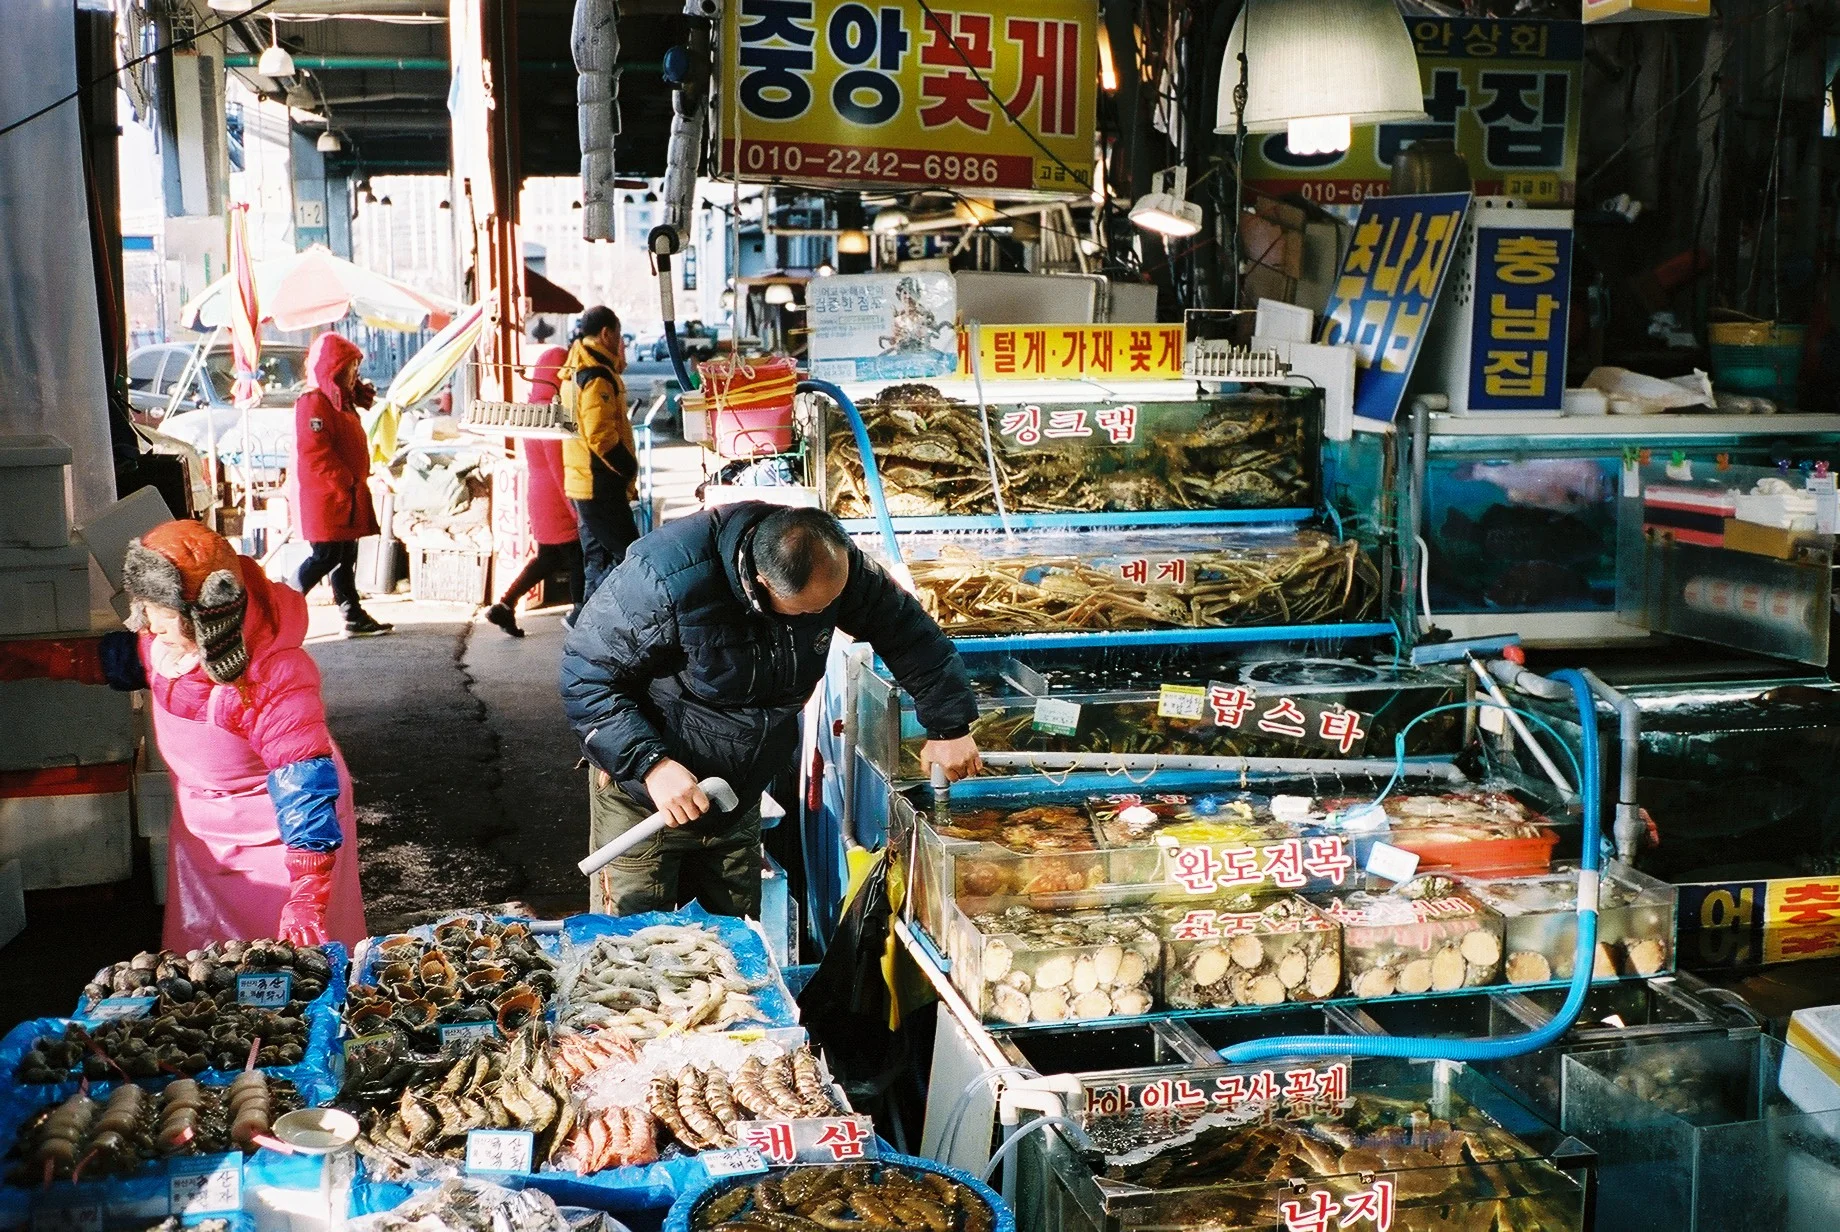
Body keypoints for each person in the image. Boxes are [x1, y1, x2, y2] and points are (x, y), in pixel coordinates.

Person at [560, 502, 982, 916]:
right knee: (630, 941)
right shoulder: (664, 577)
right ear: (762, 584)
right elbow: (586, 676)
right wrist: (651, 765)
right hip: (647, 799)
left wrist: (949, 727)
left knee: (732, 942)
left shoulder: (831, 559)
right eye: (809, 611)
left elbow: (908, 632)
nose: (823, 615)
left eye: (829, 605)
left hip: (737, 793)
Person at [25, 520, 369, 952]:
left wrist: (307, 891)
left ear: (208, 614)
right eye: (147, 608)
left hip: (283, 835)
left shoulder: (273, 675)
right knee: (202, 959)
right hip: (202, 832)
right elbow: (105, 660)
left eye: (165, 613)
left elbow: (304, 785)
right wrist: (27, 658)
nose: (151, 625)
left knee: (290, 963)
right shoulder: (163, 647)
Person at [292, 332, 393, 637]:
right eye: (349, 368)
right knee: (326, 556)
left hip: (343, 495)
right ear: (334, 369)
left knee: (345, 555)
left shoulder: (340, 401)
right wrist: (345, 481)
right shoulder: (314, 402)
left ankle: (352, 614)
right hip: (327, 496)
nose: (354, 375)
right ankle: (282, 603)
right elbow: (315, 452)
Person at [485, 326, 582, 636]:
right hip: (556, 496)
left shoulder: (533, 409)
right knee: (579, 558)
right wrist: (575, 508)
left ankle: (505, 604)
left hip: (539, 495)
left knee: (547, 559)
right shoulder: (552, 413)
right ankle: (581, 615)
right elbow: (558, 466)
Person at [561, 306, 640, 605]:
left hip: (581, 480)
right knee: (631, 557)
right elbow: (600, 435)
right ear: (607, 333)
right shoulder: (596, 377)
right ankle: (588, 617)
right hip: (600, 483)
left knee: (597, 559)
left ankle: (582, 618)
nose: (621, 342)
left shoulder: (574, 370)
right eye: (618, 335)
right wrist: (628, 467)